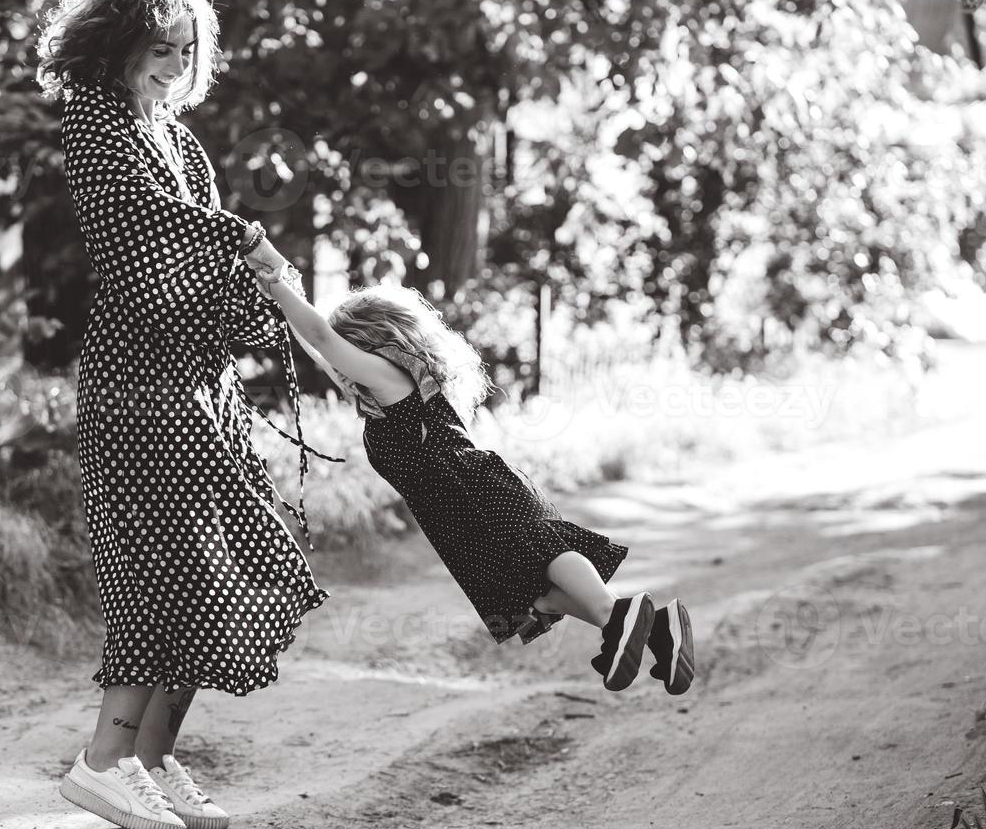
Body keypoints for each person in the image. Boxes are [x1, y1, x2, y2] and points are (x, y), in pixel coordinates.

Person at [35, 0, 330, 829]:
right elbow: (142, 231)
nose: (170, 64)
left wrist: (258, 295)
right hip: (137, 389)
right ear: (115, 44)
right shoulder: (96, 127)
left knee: (226, 574)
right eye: (156, 47)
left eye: (185, 49)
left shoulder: (175, 136)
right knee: (162, 578)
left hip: (200, 388)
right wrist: (246, 243)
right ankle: (101, 764)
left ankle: (149, 762)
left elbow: (208, 270)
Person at [250, 265, 696, 696]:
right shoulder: (376, 391)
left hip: (470, 487)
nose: (338, 361)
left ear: (369, 341)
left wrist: (284, 292)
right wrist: (280, 286)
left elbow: (320, 338)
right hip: (453, 511)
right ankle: (660, 629)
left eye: (347, 348)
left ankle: (616, 616)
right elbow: (318, 346)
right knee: (535, 598)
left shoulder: (390, 379)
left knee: (544, 551)